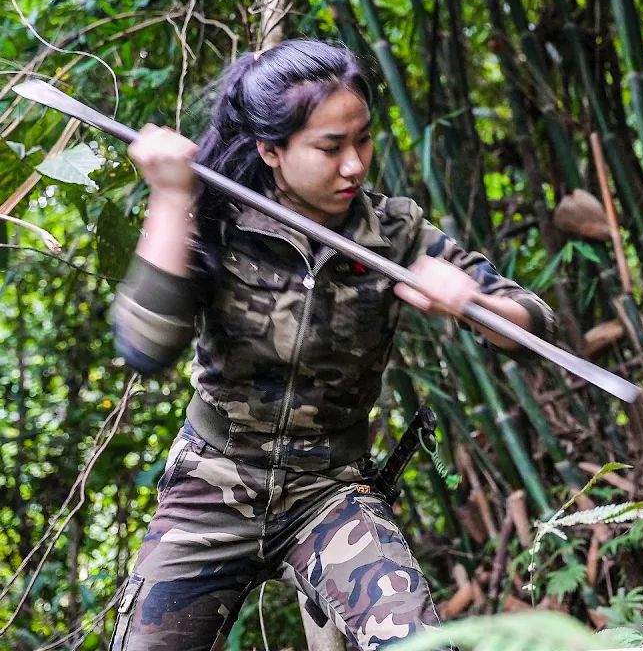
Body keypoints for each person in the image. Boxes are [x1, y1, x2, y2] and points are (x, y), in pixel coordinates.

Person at [109, 38, 555, 650]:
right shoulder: (213, 217)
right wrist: (169, 198)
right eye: (330, 147)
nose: (355, 165)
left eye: (363, 140)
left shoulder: (393, 231)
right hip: (212, 489)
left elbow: (535, 325)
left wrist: (475, 306)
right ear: (271, 150)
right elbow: (144, 346)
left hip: (330, 491)